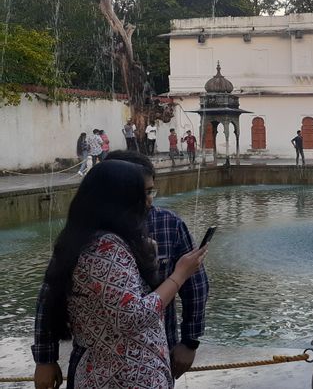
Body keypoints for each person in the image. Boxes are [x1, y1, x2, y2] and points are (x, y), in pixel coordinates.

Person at [33, 151, 211, 389]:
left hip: (139, 361)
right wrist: (178, 275)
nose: (148, 201)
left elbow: (196, 287)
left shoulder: (164, 225)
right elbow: (132, 315)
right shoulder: (105, 246)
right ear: (117, 196)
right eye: (141, 193)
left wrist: (190, 340)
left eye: (150, 191)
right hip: (118, 372)